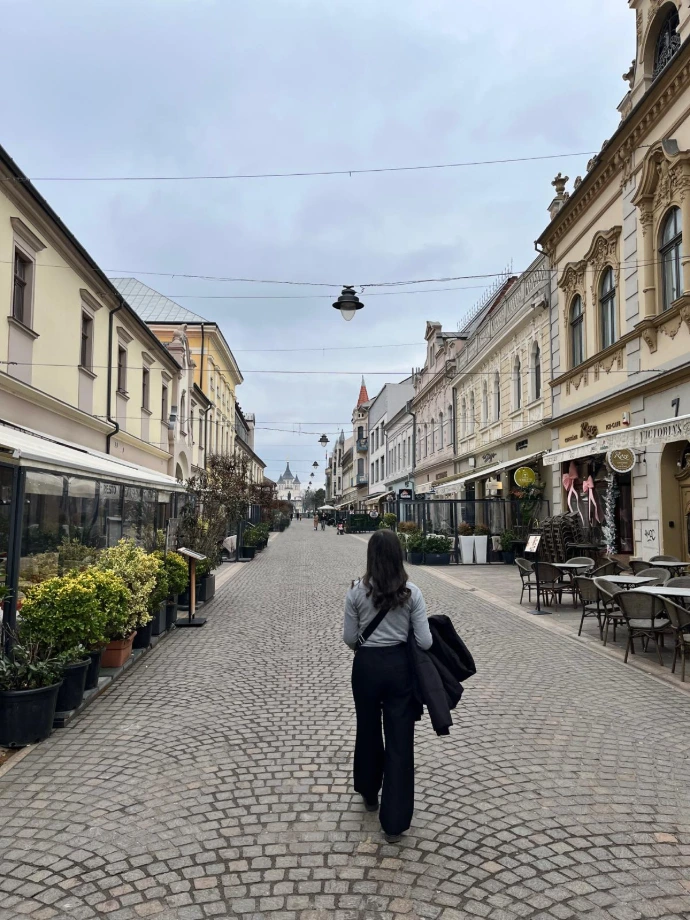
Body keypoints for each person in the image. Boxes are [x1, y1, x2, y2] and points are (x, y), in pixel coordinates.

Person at [343, 529, 432, 843]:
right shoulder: (412, 593)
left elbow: (349, 638)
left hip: (366, 667)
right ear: (399, 555)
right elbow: (425, 641)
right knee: (400, 739)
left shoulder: (356, 592)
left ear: (371, 556)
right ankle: (394, 822)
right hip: (399, 668)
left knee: (367, 728)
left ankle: (369, 792)